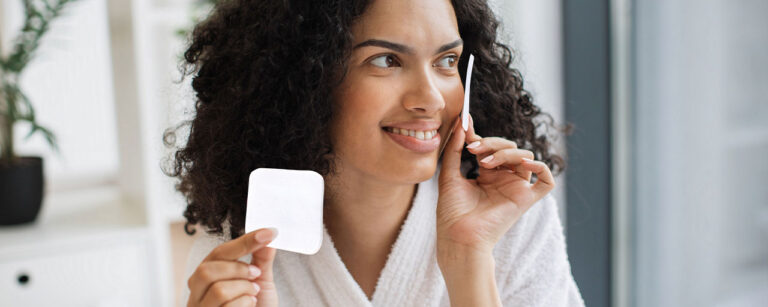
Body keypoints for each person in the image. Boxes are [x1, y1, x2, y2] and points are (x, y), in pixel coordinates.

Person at [164, 0, 585, 306]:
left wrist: (469, 258)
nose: (432, 100)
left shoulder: (508, 220)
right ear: (305, 78)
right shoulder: (247, 238)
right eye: (386, 60)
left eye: (447, 61)